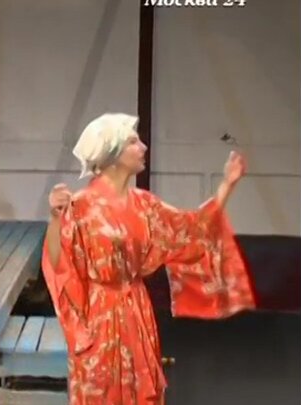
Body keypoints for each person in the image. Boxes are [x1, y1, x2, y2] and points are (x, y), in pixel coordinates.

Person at [42, 113, 257, 405]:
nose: (143, 147)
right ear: (113, 154)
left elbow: (191, 229)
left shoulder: (144, 204)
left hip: (136, 312)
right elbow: (58, 264)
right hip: (99, 318)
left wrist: (227, 185)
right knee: (100, 392)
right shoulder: (80, 205)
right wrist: (56, 219)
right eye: (133, 142)